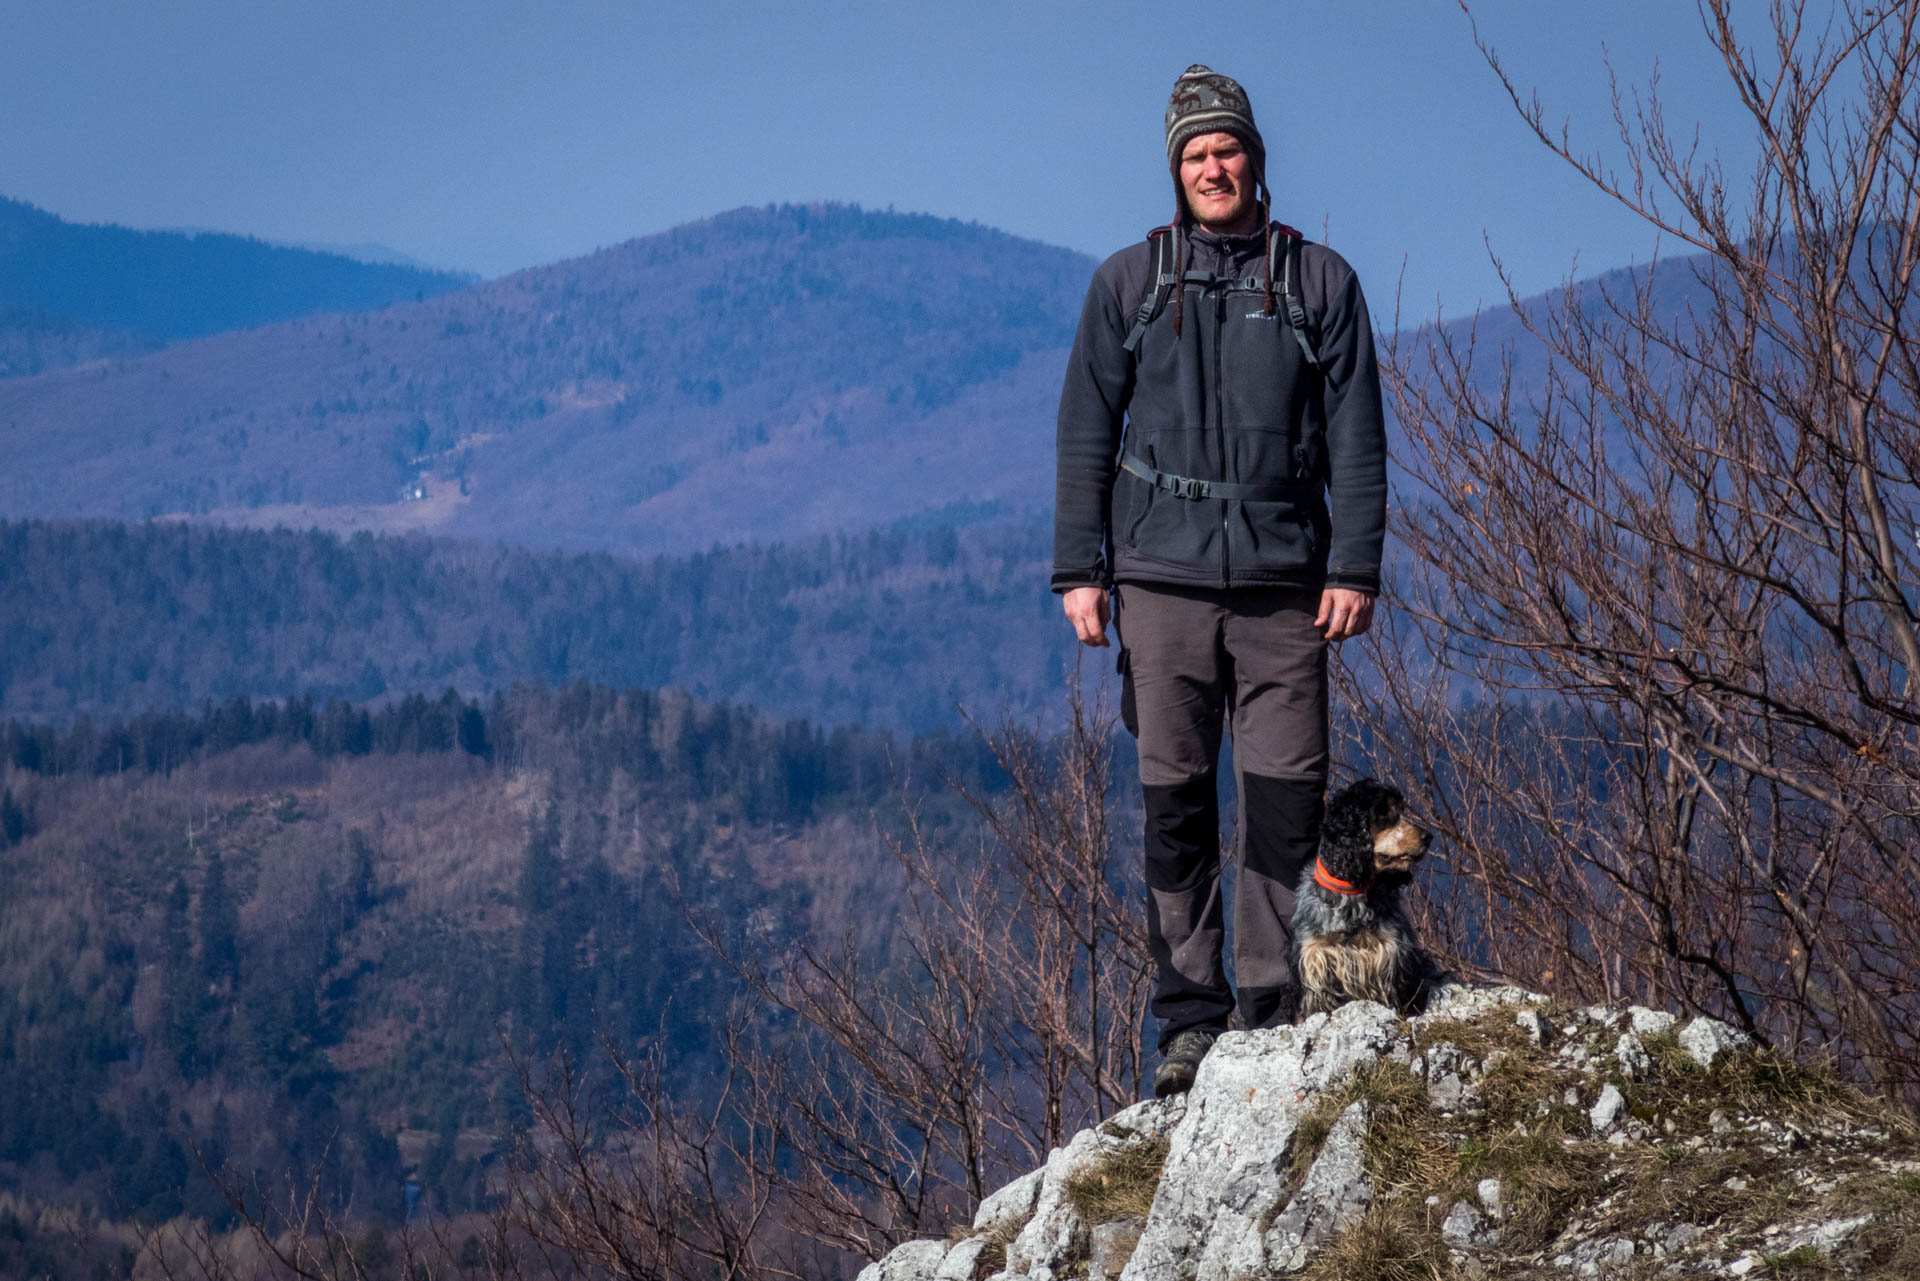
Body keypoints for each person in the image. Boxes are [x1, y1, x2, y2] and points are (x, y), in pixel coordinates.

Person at [1052, 64, 1387, 1097]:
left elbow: (1358, 438)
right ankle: (1190, 1027)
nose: (1213, 167)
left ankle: (1274, 1009)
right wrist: (1079, 572)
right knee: (1178, 816)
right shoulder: (1127, 284)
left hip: (1289, 590)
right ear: (1175, 170)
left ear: (1255, 160)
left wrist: (1356, 566)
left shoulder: (1319, 282)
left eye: (1226, 150)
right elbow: (1084, 433)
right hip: (1159, 590)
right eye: (1195, 155)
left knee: (1287, 813)